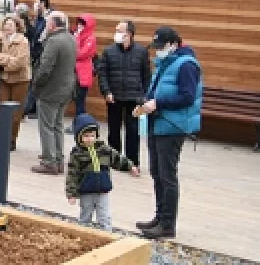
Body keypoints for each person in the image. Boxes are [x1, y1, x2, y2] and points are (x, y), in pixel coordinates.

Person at [134, 26, 202, 239]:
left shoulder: (187, 65)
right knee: (156, 172)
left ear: (173, 45)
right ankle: (160, 216)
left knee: (167, 175)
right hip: (158, 123)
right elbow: (157, 90)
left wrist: (158, 103)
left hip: (173, 127)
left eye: (161, 47)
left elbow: (187, 97)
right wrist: (146, 102)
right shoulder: (166, 63)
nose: (157, 51)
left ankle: (168, 224)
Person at [66, 113, 140, 230]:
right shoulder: (77, 154)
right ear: (78, 137)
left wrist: (130, 166)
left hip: (103, 190)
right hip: (86, 192)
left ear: (96, 135)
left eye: (92, 135)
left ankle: (107, 234)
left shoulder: (104, 149)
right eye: (85, 136)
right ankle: (83, 234)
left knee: (104, 216)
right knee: (85, 215)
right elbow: (72, 175)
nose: (89, 139)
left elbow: (117, 159)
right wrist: (71, 194)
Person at [31, 11, 78, 174]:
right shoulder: (71, 39)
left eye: (47, 23)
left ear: (52, 25)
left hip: (51, 90)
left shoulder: (54, 42)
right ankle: (58, 159)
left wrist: (36, 84)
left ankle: (49, 161)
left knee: (47, 126)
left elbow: (45, 69)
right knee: (57, 125)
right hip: (66, 89)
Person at [98, 20, 150, 166]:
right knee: (113, 130)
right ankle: (114, 160)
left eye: (119, 31)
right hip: (114, 97)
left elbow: (146, 75)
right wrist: (106, 91)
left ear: (129, 34)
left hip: (135, 98)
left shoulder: (141, 51)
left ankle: (132, 161)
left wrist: (145, 96)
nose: (116, 33)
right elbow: (103, 74)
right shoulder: (109, 51)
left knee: (133, 131)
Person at [0, 15, 32, 151]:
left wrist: (3, 64)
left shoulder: (23, 41)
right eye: (6, 24)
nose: (7, 27)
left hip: (20, 79)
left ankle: (12, 140)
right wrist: (8, 61)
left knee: (16, 112)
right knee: (2, 109)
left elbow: (20, 62)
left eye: (10, 25)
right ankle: (3, 137)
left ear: (17, 27)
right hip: (5, 78)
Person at [25, 0, 53, 118]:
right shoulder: (39, 18)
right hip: (35, 54)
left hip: (42, 54)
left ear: (43, 3)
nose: (34, 5)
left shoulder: (49, 18)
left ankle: (31, 109)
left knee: (37, 81)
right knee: (33, 81)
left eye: (36, 2)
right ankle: (31, 108)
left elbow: (41, 37)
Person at [71, 14, 98, 124]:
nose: (80, 26)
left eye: (83, 24)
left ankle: (80, 123)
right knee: (77, 99)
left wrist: (76, 38)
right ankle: (78, 122)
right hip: (76, 72)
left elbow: (81, 54)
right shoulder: (77, 36)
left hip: (83, 74)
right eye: (79, 23)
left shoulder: (90, 38)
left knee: (80, 100)